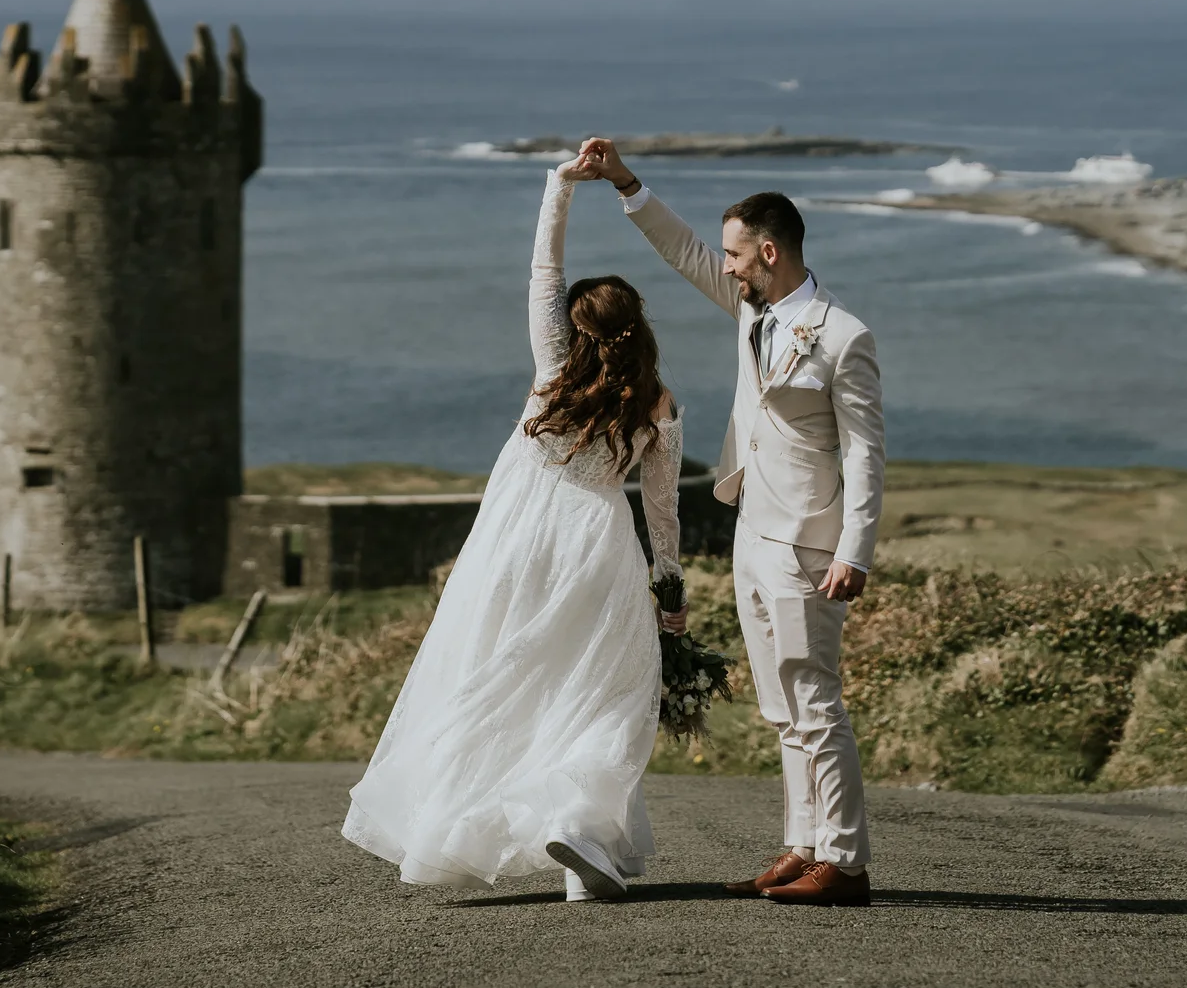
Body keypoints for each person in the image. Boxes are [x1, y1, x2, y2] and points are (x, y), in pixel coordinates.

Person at [341, 161, 685, 903]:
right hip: (600, 545)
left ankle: (516, 826)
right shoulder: (657, 402)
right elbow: (663, 509)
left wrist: (560, 183)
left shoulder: (551, 368)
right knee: (600, 695)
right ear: (639, 327)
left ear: (575, 325)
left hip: (519, 545)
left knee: (508, 684)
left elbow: (543, 265)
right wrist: (672, 593)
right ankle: (577, 835)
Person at [572, 137, 884, 908]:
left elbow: (868, 451)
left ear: (768, 250)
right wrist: (625, 183)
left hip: (809, 538)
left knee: (815, 701)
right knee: (781, 707)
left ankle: (845, 861)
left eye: (737, 254)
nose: (729, 265)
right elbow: (682, 250)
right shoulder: (752, 306)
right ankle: (802, 845)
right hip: (753, 527)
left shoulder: (844, 336)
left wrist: (857, 549)